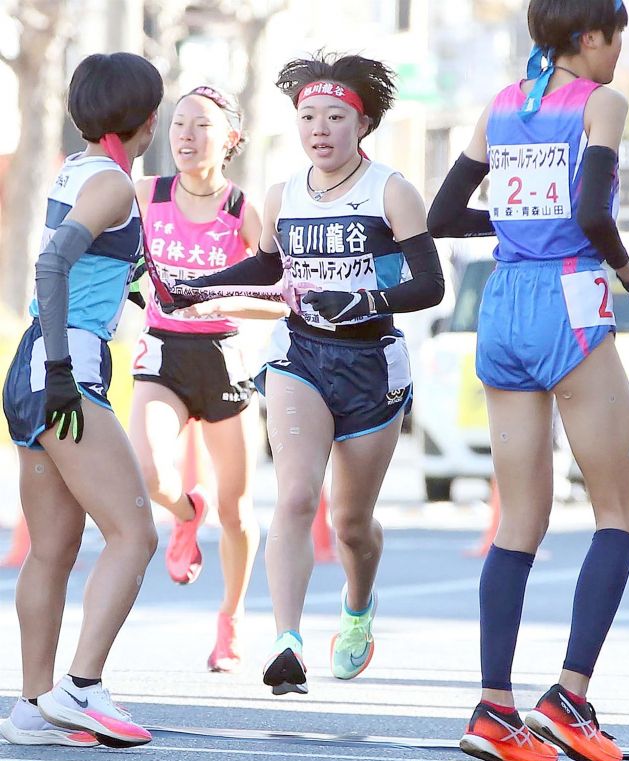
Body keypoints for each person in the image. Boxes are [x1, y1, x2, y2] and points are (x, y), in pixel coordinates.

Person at [168, 51, 445, 695]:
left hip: (372, 364)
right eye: (307, 116)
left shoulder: (392, 190)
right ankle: (286, 640)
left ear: (363, 123)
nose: (319, 129)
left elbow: (430, 284)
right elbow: (265, 268)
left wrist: (363, 300)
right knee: (294, 495)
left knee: (350, 524)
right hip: (301, 356)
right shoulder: (283, 193)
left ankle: (356, 606)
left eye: (335, 117)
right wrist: (196, 288)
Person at [428, 0, 629, 761]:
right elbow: (592, 210)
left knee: (518, 521)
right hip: (572, 299)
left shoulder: (500, 105)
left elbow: (445, 211)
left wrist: (517, 228)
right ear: (591, 37)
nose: (623, 50)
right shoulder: (602, 102)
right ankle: (570, 696)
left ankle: (495, 708)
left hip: (505, 303)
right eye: (620, 36)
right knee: (623, 509)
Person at [0, 52, 163, 748]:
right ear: (147, 119)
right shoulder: (115, 185)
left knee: (54, 549)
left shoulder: (77, 168)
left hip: (34, 364)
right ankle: (83, 685)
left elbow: (94, 272)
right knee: (136, 533)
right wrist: (66, 370)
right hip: (64, 367)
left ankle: (34, 706)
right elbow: (53, 263)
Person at [129, 85, 283, 672]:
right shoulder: (147, 195)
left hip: (223, 358)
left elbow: (280, 297)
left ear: (230, 140)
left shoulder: (244, 210)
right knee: (148, 471)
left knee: (239, 510)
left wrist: (223, 301)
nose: (186, 136)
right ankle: (187, 514)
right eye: (178, 125)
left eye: (201, 126)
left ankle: (232, 619)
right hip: (163, 354)